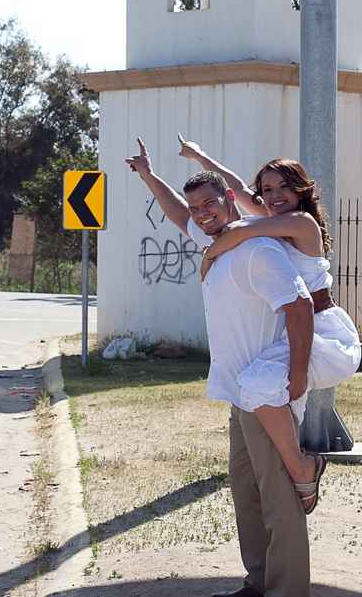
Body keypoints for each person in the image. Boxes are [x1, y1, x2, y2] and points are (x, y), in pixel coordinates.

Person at [126, 138, 316, 597]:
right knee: (246, 495)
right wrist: (150, 176)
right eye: (198, 207)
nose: (202, 212)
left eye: (211, 202)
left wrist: (297, 375)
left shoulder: (257, 250)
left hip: (267, 391)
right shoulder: (214, 237)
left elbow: (301, 306)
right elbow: (176, 211)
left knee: (277, 500)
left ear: (231, 199)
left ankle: (287, 590)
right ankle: (258, 582)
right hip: (238, 390)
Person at [180, 146, 361, 501]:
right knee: (258, 390)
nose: (273, 196)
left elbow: (236, 232)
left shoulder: (300, 223)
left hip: (322, 332)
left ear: (300, 190)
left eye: (283, 188)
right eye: (267, 190)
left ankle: (301, 469)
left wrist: (209, 255)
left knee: (257, 384)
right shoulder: (270, 216)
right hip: (294, 331)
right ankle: (295, 476)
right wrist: (203, 160)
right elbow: (233, 186)